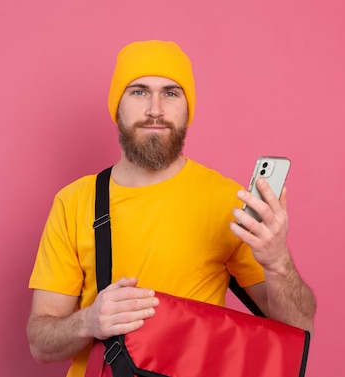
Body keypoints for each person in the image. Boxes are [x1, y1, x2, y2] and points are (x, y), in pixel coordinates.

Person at [27, 40, 316, 377]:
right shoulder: (74, 202)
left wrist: (277, 260)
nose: (155, 109)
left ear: (187, 109)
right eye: (138, 92)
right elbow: (40, 343)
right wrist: (88, 321)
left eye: (170, 93)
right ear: (116, 107)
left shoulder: (228, 201)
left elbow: (298, 330)